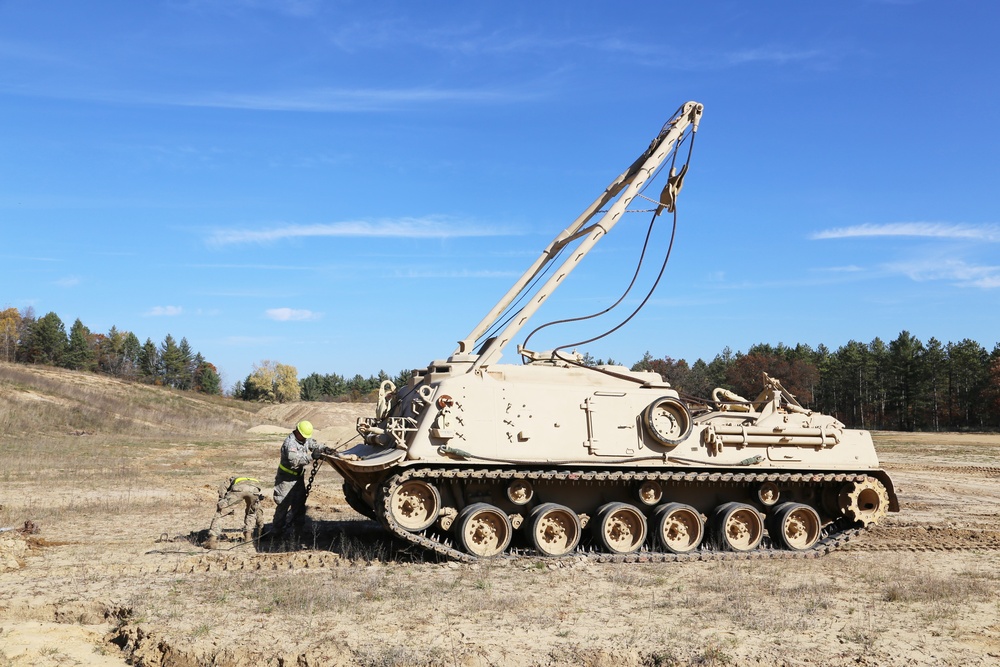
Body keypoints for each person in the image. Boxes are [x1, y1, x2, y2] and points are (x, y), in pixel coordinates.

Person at [272, 420, 326, 541]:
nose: (305, 438)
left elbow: (313, 444)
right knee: (283, 505)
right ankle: (276, 532)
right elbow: (294, 461)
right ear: (297, 431)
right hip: (285, 480)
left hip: (298, 479)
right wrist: (311, 457)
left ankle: (299, 532)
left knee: (299, 505)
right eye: (303, 435)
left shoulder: (304, 439)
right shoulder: (290, 443)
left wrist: (324, 448)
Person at [205, 476, 264, 548]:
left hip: (238, 489)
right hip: (254, 490)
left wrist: (222, 501)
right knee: (251, 513)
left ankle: (212, 540)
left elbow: (222, 489)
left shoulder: (231, 479)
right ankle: (248, 538)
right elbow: (259, 512)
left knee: (220, 513)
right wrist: (261, 527)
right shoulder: (253, 479)